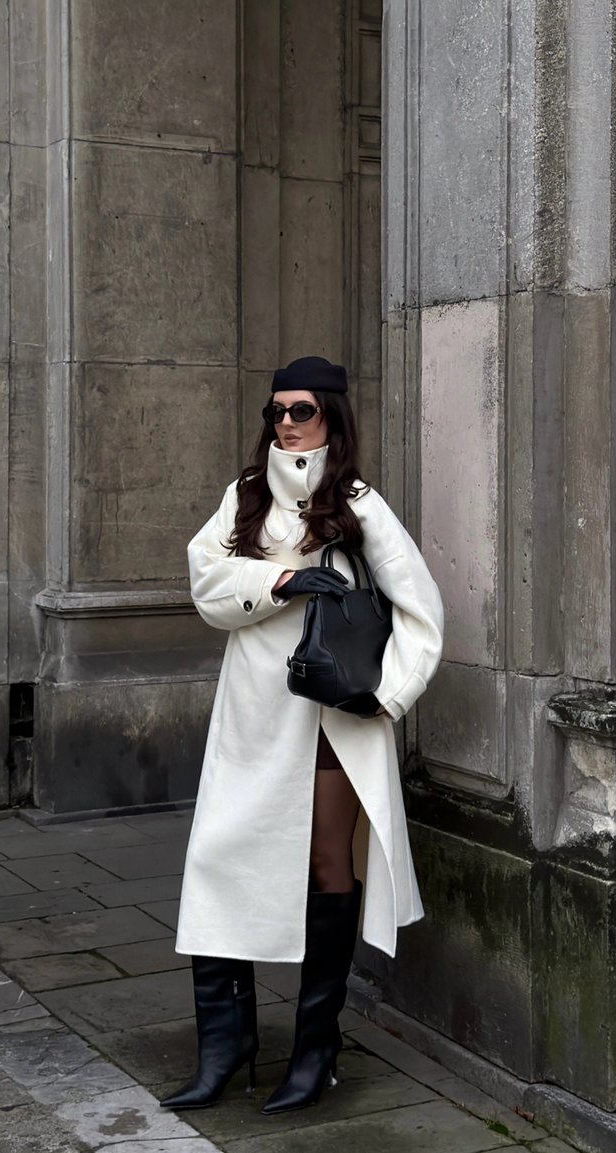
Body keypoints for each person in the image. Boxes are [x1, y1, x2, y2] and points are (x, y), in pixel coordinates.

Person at [160, 355, 444, 1116]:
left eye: (302, 410)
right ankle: (225, 1045)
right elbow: (205, 583)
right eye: (276, 411)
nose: (285, 423)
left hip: (327, 720)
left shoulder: (355, 503)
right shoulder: (245, 497)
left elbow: (423, 609)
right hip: (253, 715)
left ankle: (315, 1049)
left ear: (332, 418)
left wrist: (386, 698)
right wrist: (279, 581)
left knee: (326, 865)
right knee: (220, 858)